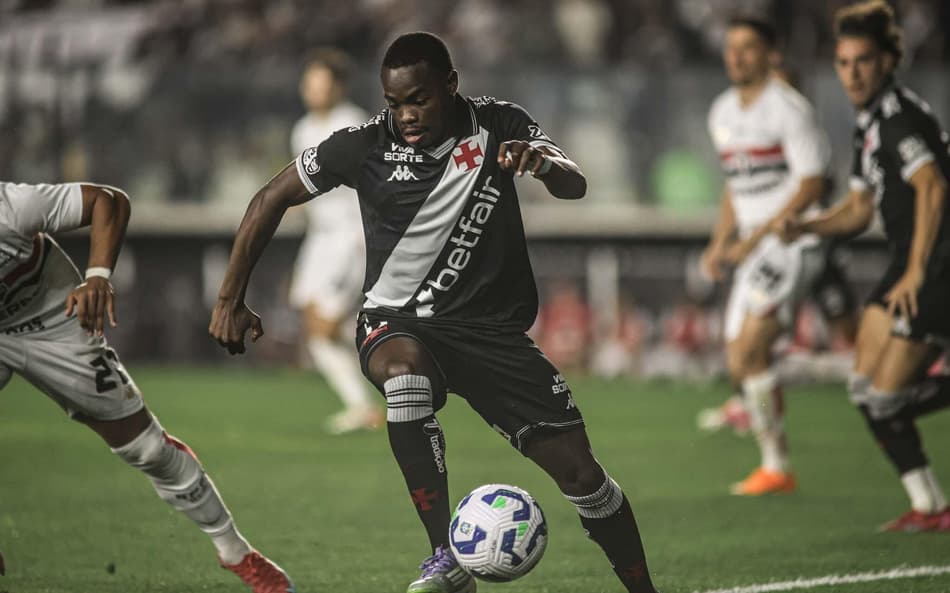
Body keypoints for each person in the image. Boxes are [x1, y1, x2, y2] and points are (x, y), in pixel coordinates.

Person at [211, 32, 658, 593]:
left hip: (492, 335)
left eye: (418, 99)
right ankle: (444, 557)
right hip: (397, 322)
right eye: (395, 103)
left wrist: (540, 162)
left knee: (584, 477)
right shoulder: (362, 144)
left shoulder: (499, 123)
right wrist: (230, 299)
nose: (406, 115)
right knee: (405, 380)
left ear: (450, 84)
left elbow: (574, 182)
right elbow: (268, 199)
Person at [0, 181, 295, 593]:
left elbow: (109, 200)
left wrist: (98, 275)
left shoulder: (11, 207)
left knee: (147, 447)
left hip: (51, 317)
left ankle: (234, 551)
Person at [775, 0, 950, 531]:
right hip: (909, 260)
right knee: (866, 392)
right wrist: (806, 225)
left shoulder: (900, 116)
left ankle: (932, 506)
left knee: (889, 396)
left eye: (864, 61)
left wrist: (918, 272)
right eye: (844, 63)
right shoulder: (868, 125)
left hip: (937, 264)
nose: (853, 73)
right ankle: (930, 507)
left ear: (887, 61)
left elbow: (934, 186)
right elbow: (857, 210)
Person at [700, 16, 832, 495]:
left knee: (752, 347)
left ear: (769, 53)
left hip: (792, 240)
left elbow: (812, 183)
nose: (736, 57)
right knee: (739, 359)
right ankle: (833, 370)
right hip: (753, 243)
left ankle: (777, 466)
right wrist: (720, 243)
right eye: (731, 48)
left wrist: (753, 241)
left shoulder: (789, 109)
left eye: (748, 48)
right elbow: (736, 186)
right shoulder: (721, 112)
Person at [288, 48, 383, 435]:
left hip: (351, 236)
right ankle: (365, 403)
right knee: (316, 328)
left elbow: (377, 182)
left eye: (321, 84)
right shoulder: (302, 129)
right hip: (319, 238)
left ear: (339, 87)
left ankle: (386, 377)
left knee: (325, 330)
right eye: (308, 84)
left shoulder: (355, 125)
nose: (313, 91)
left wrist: (372, 233)